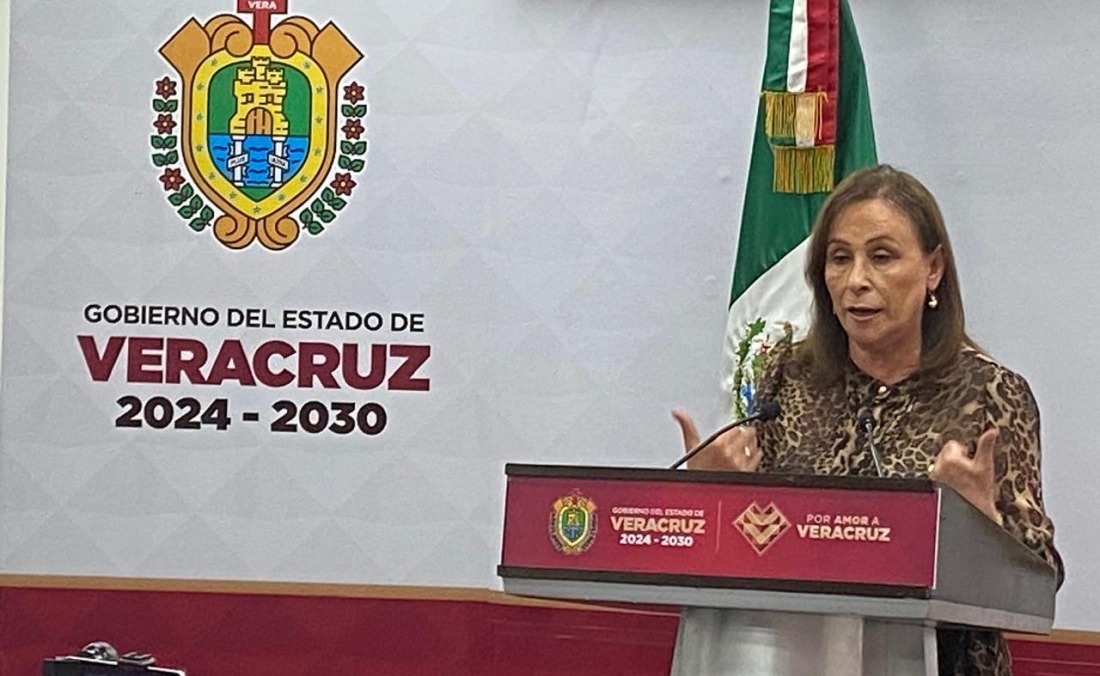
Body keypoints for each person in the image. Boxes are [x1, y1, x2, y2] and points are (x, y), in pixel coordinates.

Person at [672, 164, 1062, 676]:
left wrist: (981, 524)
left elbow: (1039, 581)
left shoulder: (989, 393)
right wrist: (711, 497)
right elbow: (757, 538)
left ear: (933, 269)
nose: (857, 281)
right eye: (840, 258)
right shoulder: (787, 378)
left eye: (881, 257)